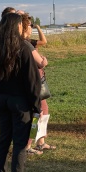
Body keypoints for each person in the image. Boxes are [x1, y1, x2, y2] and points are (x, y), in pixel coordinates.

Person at [0, 13, 41, 172]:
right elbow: (32, 81)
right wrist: (36, 106)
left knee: (3, 141)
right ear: (16, 27)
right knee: (20, 145)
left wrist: (1, 93)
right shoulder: (23, 48)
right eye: (21, 25)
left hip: (3, 99)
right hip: (20, 102)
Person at [19, 13, 55, 154]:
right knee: (38, 113)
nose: (30, 28)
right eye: (29, 26)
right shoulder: (26, 44)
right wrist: (43, 61)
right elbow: (40, 62)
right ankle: (28, 145)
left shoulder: (26, 42)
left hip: (36, 81)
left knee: (43, 112)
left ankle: (40, 141)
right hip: (34, 83)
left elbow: (43, 42)